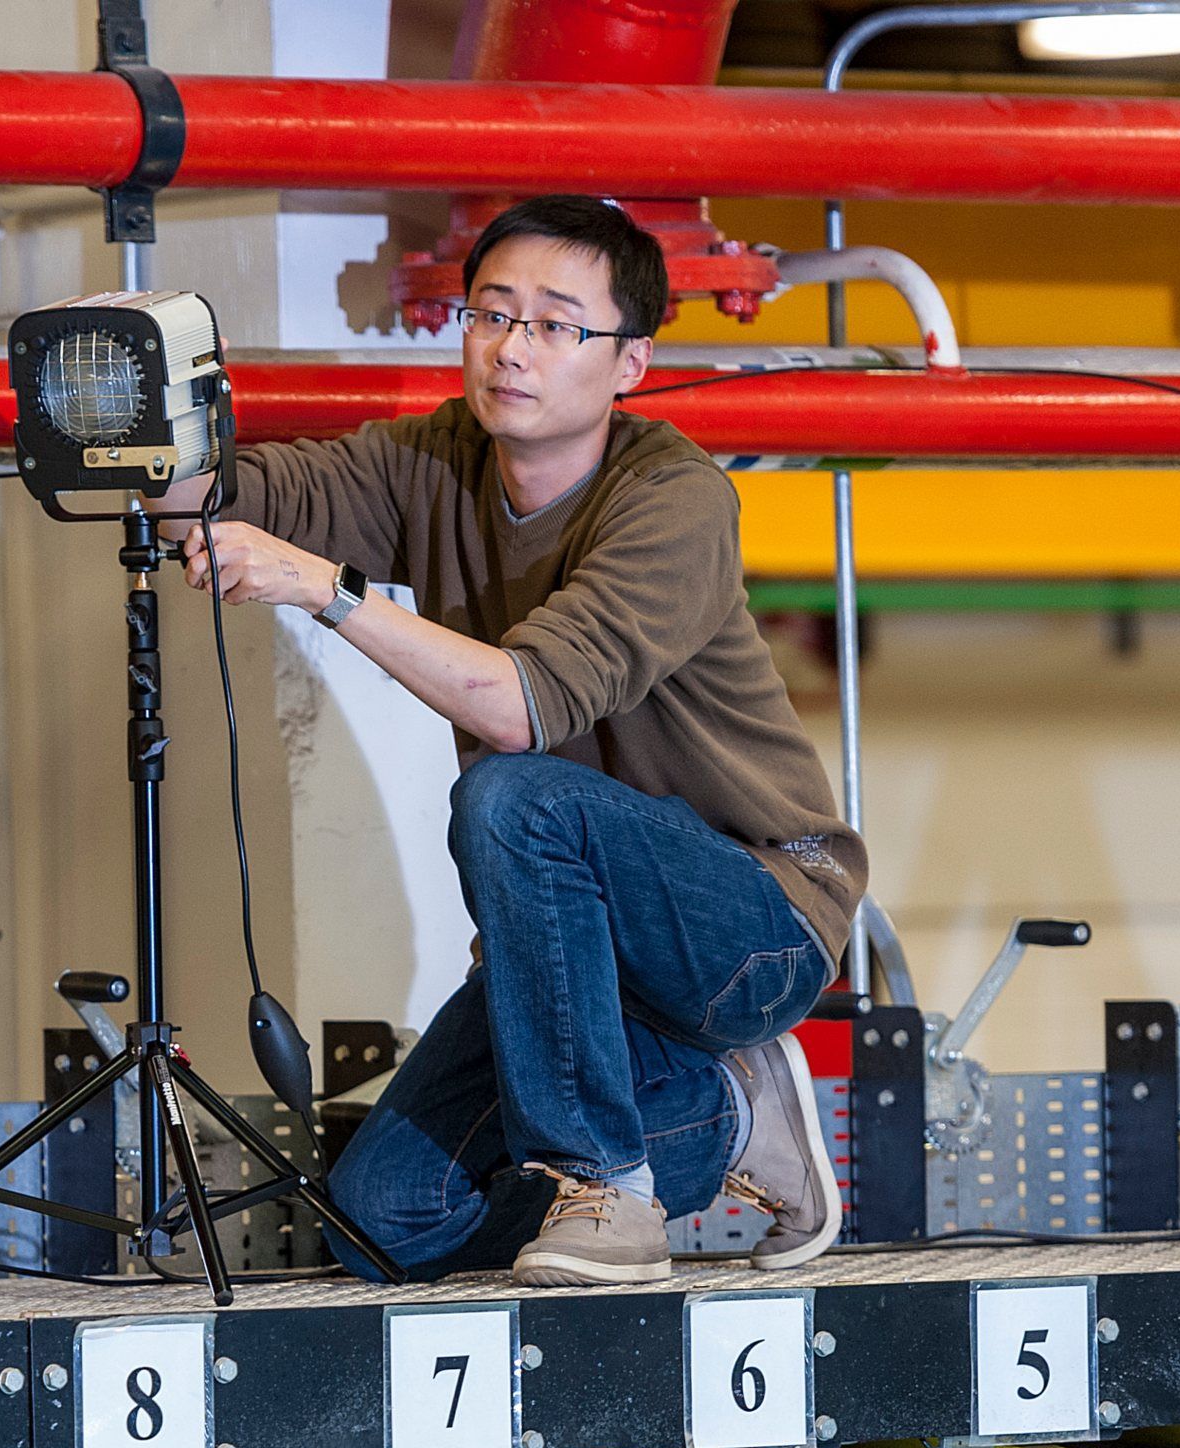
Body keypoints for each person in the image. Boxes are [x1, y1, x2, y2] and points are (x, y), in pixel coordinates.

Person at [168, 194, 865, 1286]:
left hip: (754, 919)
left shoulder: (673, 498)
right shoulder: (438, 460)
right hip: (580, 956)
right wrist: (152, 438)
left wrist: (325, 590)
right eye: (492, 315)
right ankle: (728, 1117)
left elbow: (520, 705)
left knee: (510, 792)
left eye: (555, 324)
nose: (512, 348)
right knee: (386, 1219)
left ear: (629, 363)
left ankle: (611, 1189)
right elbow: (253, 491)